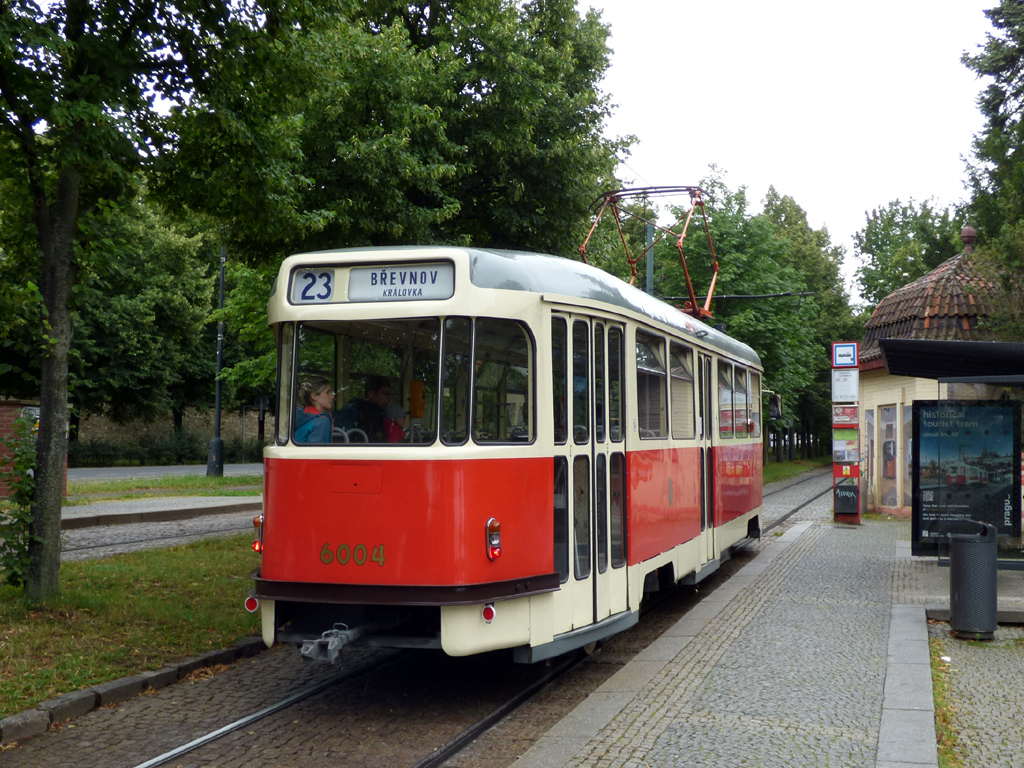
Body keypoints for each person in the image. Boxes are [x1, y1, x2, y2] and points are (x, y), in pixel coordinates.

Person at [335, 375, 390, 442]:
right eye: (385, 394)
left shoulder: (380, 412)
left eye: (390, 395)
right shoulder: (363, 411)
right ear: (371, 394)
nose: (389, 399)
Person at [294, 376, 335, 443]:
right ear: (314, 396)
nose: (332, 396)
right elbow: (317, 449)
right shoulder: (322, 421)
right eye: (327, 392)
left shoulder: (299, 416)